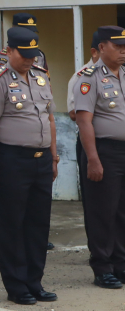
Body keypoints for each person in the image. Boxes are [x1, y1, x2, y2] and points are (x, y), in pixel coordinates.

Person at [0, 27, 58, 305]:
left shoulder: (40, 77)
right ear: (10, 51)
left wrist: (54, 157)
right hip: (12, 160)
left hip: (41, 159)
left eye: (32, 55)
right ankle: (16, 285)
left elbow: (50, 119)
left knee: (38, 224)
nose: (29, 60)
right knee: (12, 224)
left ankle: (34, 282)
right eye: (24, 54)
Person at [74, 25, 125, 289]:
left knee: (122, 211)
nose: (123, 51)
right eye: (118, 47)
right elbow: (84, 121)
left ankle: (120, 264)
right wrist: (92, 158)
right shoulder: (89, 78)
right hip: (104, 151)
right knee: (102, 211)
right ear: (102, 47)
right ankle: (102, 267)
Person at [68, 30, 101, 208]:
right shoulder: (81, 77)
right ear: (95, 52)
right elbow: (74, 113)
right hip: (93, 142)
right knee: (96, 200)